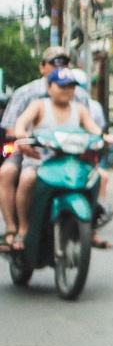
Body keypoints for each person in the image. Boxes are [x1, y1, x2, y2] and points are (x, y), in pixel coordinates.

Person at [5, 68, 102, 252]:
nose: (66, 90)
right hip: (39, 162)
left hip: (71, 163)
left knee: (98, 177)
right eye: (61, 86)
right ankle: (23, 228)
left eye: (70, 86)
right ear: (49, 87)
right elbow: (21, 123)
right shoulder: (39, 105)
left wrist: (104, 137)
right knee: (27, 179)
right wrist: (21, 133)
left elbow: (94, 129)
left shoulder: (80, 110)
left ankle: (91, 227)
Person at [0, 45, 72, 215]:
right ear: (42, 67)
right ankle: (15, 226)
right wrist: (25, 139)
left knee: (97, 175)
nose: (59, 67)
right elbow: (12, 128)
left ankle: (93, 219)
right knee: (8, 173)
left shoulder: (78, 94)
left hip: (69, 151)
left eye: (64, 63)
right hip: (31, 151)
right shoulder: (26, 94)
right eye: (54, 63)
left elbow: (90, 125)